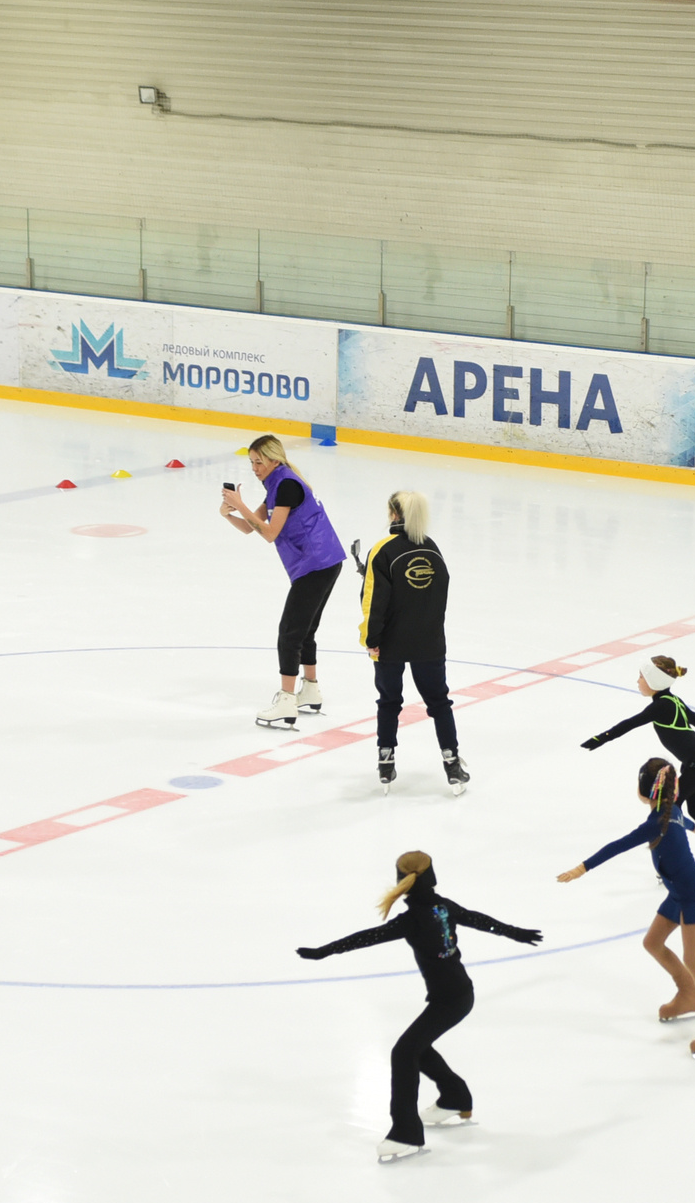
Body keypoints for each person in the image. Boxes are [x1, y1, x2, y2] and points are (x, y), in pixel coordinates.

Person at [296, 851, 542, 1164]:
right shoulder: (443, 907)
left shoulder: (413, 919)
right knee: (417, 1048)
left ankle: (406, 1133)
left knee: (404, 1053)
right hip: (457, 993)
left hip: (451, 999)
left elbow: (367, 937)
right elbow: (480, 919)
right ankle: (455, 1097)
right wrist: (515, 932)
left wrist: (325, 951)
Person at [559, 757, 695, 1059]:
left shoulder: (657, 822)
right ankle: (688, 994)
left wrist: (581, 868)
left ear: (644, 792)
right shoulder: (673, 811)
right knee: (652, 942)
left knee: (694, 958)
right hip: (678, 893)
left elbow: (618, 845)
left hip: (693, 894)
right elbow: (687, 822)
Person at [219, 434, 347, 730]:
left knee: (289, 632)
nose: (254, 468)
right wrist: (229, 514)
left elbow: (270, 533)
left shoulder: (286, 484)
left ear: (274, 459)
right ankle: (310, 690)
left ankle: (287, 700)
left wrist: (242, 504)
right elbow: (253, 528)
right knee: (304, 629)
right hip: (324, 561)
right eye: (251, 462)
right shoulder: (278, 483)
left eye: (259, 462)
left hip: (316, 563)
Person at [582, 656, 695, 872]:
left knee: (669, 810)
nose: (637, 681)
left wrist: (601, 738)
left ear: (654, 681)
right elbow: (693, 716)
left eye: (641, 676)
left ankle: (676, 862)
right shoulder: (671, 701)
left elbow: (630, 723)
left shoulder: (662, 706)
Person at [358, 490, 466, 796]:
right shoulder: (432, 548)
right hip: (429, 642)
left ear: (393, 514)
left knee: (389, 702)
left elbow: (373, 603)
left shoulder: (383, 550)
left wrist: (371, 639)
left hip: (390, 643)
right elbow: (439, 594)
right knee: (439, 703)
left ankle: (386, 760)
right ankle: (452, 762)